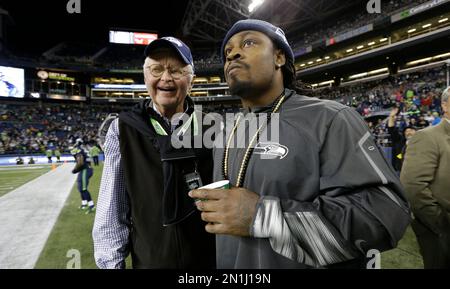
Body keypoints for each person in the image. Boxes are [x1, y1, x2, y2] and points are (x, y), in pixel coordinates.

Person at [189, 19, 411, 269]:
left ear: (279, 57)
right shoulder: (229, 130)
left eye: (249, 42)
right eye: (227, 52)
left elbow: (385, 216)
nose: (233, 54)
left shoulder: (329, 118)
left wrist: (264, 217)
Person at [93, 37, 216, 269]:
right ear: (145, 77)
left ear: (192, 81)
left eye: (177, 71)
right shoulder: (121, 129)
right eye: (156, 69)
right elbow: (111, 210)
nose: (166, 78)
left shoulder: (214, 128)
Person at [400, 87, 450, 268]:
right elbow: (413, 187)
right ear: (445, 105)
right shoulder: (427, 137)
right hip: (439, 230)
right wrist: (442, 225)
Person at [387, 106, 416, 172]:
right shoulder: (399, 140)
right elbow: (391, 129)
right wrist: (391, 117)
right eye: (406, 131)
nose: (408, 132)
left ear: (416, 132)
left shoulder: (421, 142)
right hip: (401, 170)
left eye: (411, 130)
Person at [72, 141, 95, 214]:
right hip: (85, 169)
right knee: (80, 187)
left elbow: (80, 161)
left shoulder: (78, 149)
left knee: (83, 189)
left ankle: (92, 206)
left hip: (85, 170)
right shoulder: (82, 149)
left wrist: (75, 169)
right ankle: (84, 204)